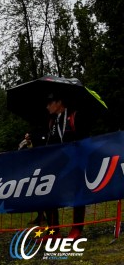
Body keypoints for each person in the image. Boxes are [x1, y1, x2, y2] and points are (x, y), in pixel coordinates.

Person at [42, 93, 87, 239]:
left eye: (50, 103)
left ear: (59, 102)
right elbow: (49, 144)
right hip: (57, 166)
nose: (47, 106)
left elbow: (84, 140)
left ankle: (77, 229)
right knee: (49, 194)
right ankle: (54, 231)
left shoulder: (75, 116)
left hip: (75, 164)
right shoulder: (51, 122)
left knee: (77, 195)